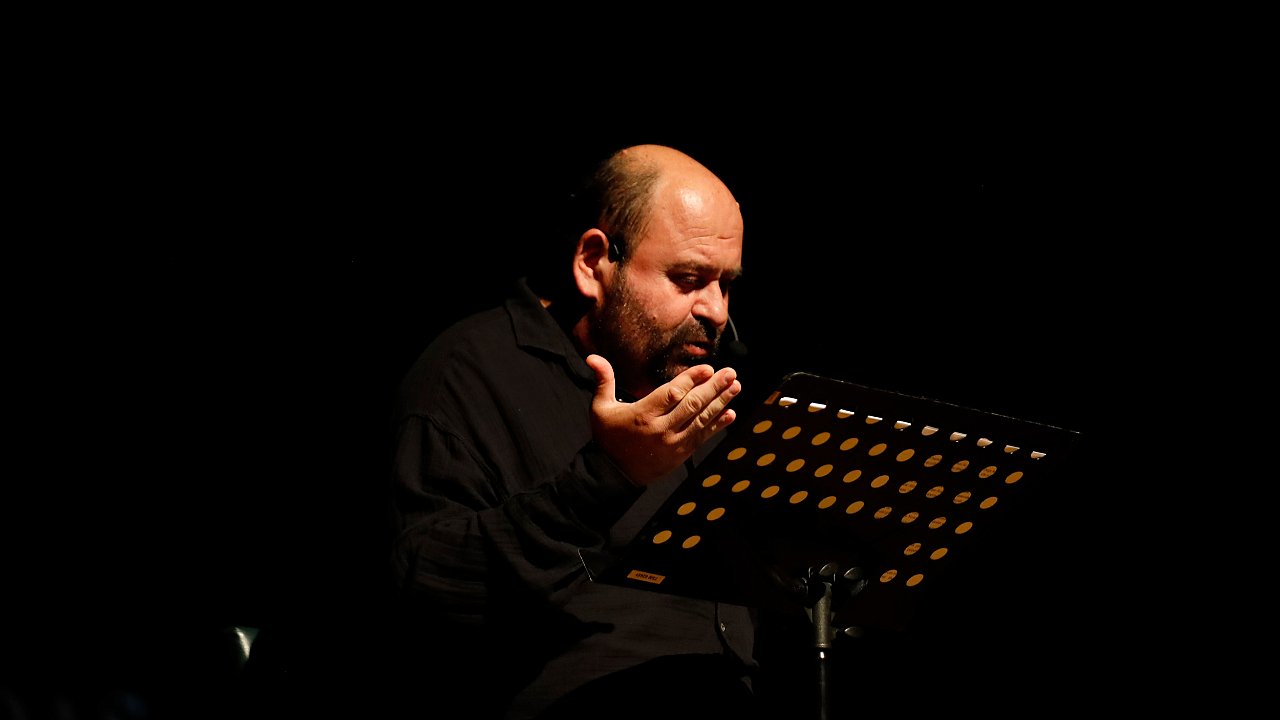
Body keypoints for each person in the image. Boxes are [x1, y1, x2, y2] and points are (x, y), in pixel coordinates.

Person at [385, 143, 767, 720]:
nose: (716, 309)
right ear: (593, 262)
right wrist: (608, 476)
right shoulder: (470, 371)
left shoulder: (700, 381)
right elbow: (427, 591)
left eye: (726, 283)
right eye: (688, 279)